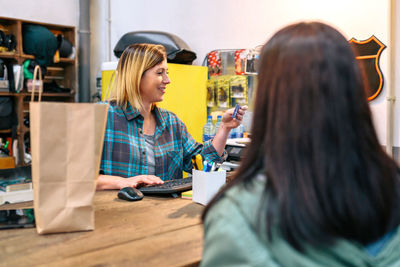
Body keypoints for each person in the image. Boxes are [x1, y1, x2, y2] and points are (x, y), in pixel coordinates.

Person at [201, 22, 400, 266]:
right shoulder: (390, 188)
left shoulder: (237, 216)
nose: (166, 79)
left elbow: (205, 159)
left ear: (269, 98)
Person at [97, 43, 247, 190]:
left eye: (167, 72)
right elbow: (78, 178)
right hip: (118, 212)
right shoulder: (103, 116)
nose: (167, 80)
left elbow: (204, 164)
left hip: (161, 211)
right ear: (136, 76)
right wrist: (123, 182)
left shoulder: (172, 123)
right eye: (159, 73)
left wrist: (224, 128)